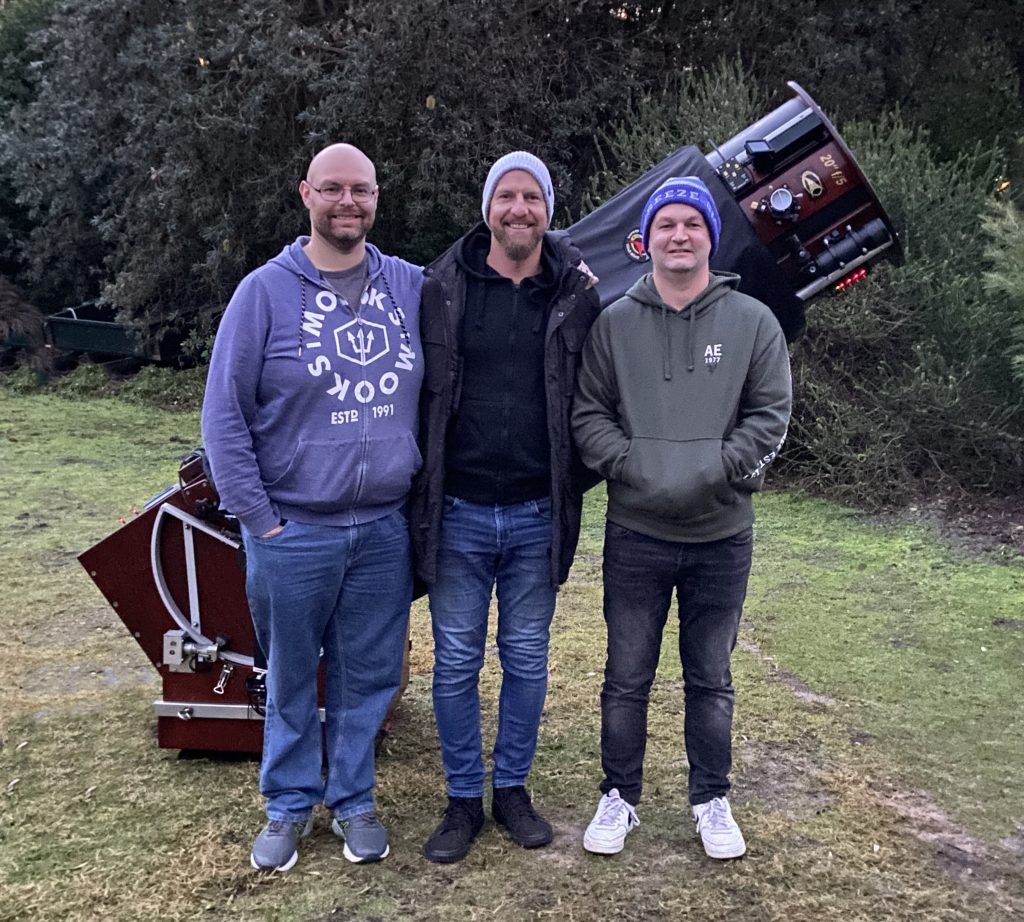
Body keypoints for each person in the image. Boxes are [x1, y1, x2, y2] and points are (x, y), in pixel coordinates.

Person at [201, 143, 423, 871]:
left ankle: (352, 798)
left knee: (369, 676)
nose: (347, 203)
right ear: (306, 194)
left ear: (377, 197)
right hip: (294, 530)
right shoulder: (263, 294)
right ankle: (288, 805)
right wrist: (260, 519)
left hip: (384, 529)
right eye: (332, 189)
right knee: (293, 676)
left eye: (361, 190)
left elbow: (500, 286)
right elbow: (224, 420)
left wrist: (573, 272)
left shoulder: (411, 287)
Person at [571, 176, 792, 860]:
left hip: (720, 537)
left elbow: (770, 415)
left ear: (709, 238)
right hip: (636, 534)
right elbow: (588, 416)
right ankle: (619, 798)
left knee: (711, 678)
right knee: (626, 676)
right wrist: (636, 466)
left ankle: (711, 799)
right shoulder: (613, 322)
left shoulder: (753, 322)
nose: (679, 235)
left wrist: (713, 469)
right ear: (648, 239)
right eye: (666, 224)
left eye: (692, 224)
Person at [409, 151, 602, 863]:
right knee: (455, 660)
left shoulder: (579, 295)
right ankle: (463, 799)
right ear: (487, 206)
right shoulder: (439, 287)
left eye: (533, 197)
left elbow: (597, 396)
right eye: (507, 196)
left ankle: (512, 789)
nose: (519, 209)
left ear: (548, 209)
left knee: (525, 657)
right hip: (456, 508)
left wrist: (576, 480)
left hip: (536, 514)